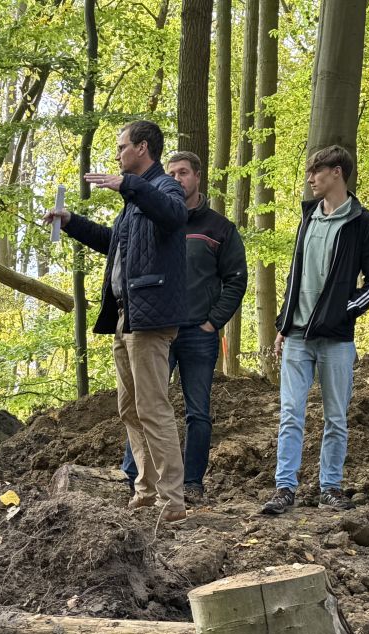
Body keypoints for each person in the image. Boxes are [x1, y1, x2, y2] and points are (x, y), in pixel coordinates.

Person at [48, 120, 191, 526]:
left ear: (142, 148)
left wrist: (126, 186)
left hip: (151, 319)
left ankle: (171, 499)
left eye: (121, 146)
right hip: (126, 318)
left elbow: (173, 214)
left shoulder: (164, 188)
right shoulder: (135, 202)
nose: (116, 154)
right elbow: (113, 242)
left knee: (153, 407)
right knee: (129, 408)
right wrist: (71, 220)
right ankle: (146, 490)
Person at [263, 145, 369, 515]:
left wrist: (343, 312)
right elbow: (295, 275)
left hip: (336, 340)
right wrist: (283, 324)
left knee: (336, 416)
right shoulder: (307, 217)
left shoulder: (365, 222)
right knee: (290, 414)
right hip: (297, 336)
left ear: (337, 172)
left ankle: (329, 487)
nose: (310, 179)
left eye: (316, 172)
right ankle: (285, 488)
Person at [119, 150, 247, 501]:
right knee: (144, 403)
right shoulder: (157, 218)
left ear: (198, 177)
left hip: (197, 332)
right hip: (158, 325)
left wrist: (213, 321)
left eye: (184, 173)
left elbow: (236, 279)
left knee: (197, 411)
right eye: (172, 172)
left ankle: (191, 482)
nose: (176, 179)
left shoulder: (220, 228)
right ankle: (134, 477)